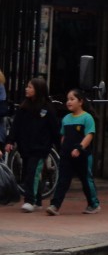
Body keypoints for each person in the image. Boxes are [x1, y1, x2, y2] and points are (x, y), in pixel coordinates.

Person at [4, 77, 60, 212]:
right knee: (31, 172)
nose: (27, 89)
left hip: (40, 148)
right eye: (27, 86)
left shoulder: (48, 108)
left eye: (30, 87)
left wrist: (59, 146)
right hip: (25, 147)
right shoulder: (24, 107)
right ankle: (38, 200)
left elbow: (54, 129)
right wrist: (10, 141)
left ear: (38, 90)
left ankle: (29, 200)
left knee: (32, 172)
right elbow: (16, 126)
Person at [46, 88, 100, 216]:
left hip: (83, 155)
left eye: (72, 99)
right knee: (62, 180)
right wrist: (63, 149)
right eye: (67, 99)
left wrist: (80, 148)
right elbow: (63, 136)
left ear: (80, 101)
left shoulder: (87, 118)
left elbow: (89, 135)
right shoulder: (66, 119)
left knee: (86, 180)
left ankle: (94, 204)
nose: (68, 102)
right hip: (67, 156)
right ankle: (55, 205)